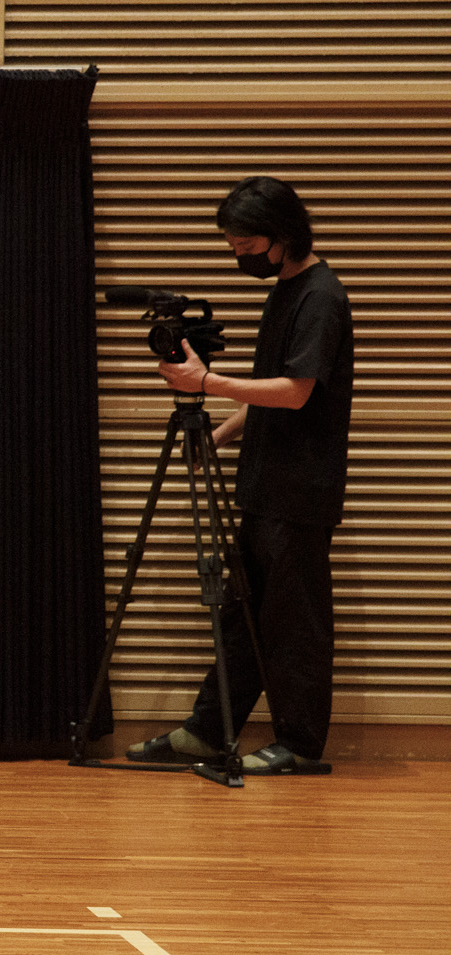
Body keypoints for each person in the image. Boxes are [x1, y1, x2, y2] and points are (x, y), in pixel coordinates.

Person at [128, 175, 354, 774]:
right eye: (232, 245)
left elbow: (296, 392)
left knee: (294, 622)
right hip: (264, 484)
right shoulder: (285, 291)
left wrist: (205, 383)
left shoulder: (321, 297)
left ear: (283, 235)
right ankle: (207, 731)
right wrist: (221, 433)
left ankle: (299, 746)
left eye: (247, 245)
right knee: (242, 616)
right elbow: (266, 393)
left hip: (298, 490)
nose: (239, 255)